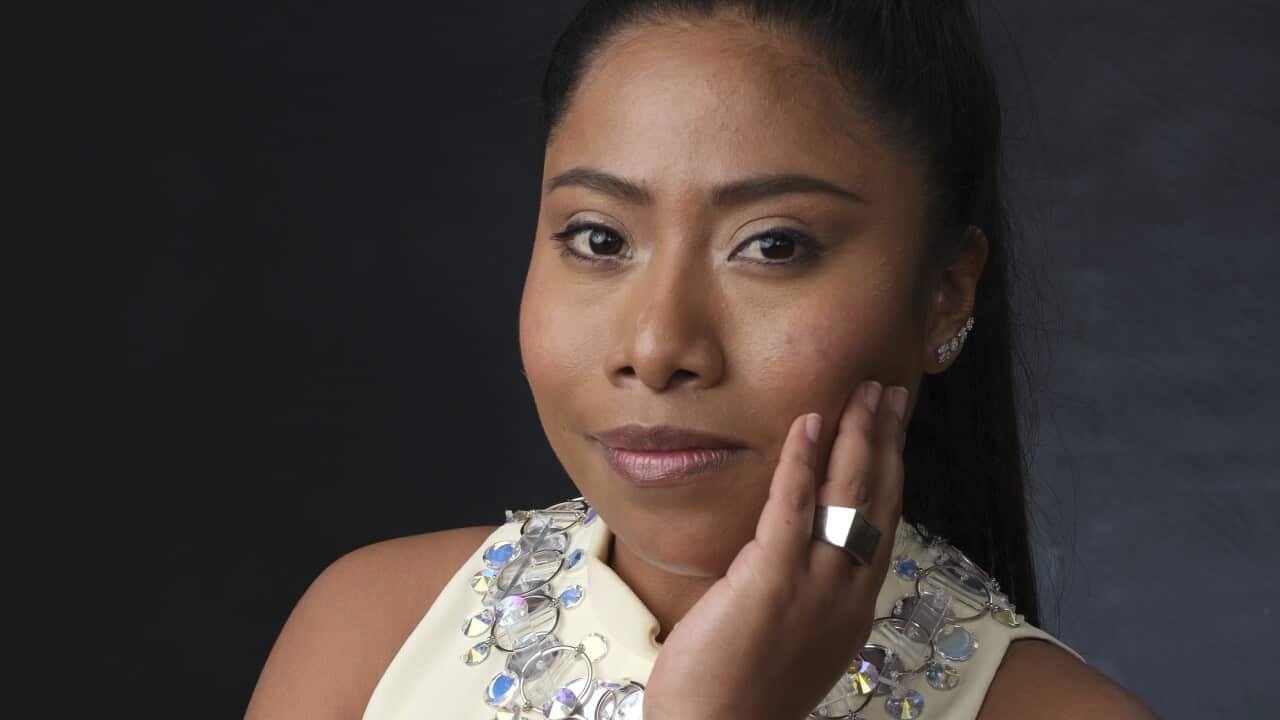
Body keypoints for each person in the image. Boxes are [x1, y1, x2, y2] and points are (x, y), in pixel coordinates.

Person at [246, 1, 1158, 718]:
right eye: (599, 238)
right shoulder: (370, 635)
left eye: (773, 247)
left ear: (945, 293)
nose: (657, 348)